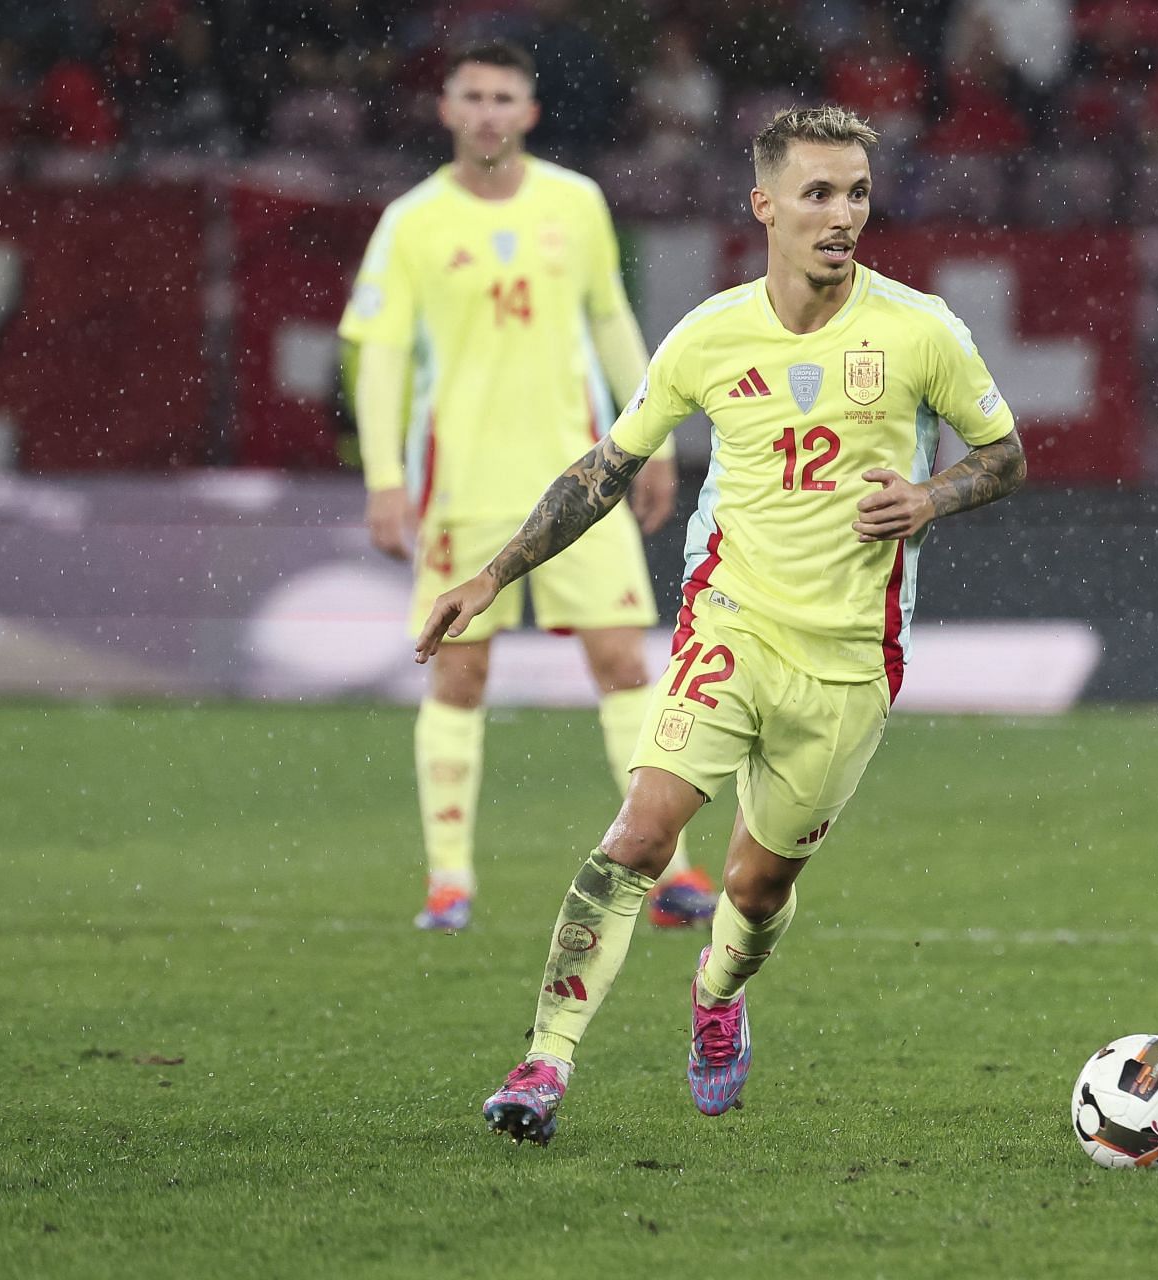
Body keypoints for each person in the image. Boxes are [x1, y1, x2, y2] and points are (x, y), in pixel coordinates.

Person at [414, 104, 1027, 1144]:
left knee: (758, 879)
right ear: (766, 206)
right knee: (641, 831)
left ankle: (718, 992)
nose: (842, 215)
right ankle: (543, 1063)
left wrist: (930, 497)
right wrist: (492, 573)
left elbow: (1003, 456)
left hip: (847, 661)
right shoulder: (708, 333)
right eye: (819, 194)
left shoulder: (922, 330)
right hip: (729, 625)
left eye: (858, 194)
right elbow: (607, 468)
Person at [338, 40, 715, 934]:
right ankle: (449, 883)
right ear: (445, 109)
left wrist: (652, 443)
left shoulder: (575, 203)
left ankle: (668, 872)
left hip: (578, 481)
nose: (488, 112)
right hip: (465, 486)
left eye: (505, 96)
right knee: (460, 674)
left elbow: (610, 319)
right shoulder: (412, 222)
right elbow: (381, 355)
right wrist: (387, 478)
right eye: (472, 96)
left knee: (625, 661)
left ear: (530, 113)